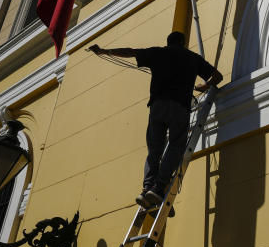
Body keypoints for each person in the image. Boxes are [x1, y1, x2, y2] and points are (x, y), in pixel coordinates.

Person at [90, 31, 222, 208]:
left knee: (154, 149)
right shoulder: (192, 58)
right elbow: (218, 77)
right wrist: (204, 85)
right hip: (179, 107)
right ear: (182, 42)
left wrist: (105, 51)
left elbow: (131, 51)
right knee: (175, 145)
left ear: (168, 42)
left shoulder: (157, 52)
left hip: (157, 107)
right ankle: (158, 188)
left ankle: (146, 188)